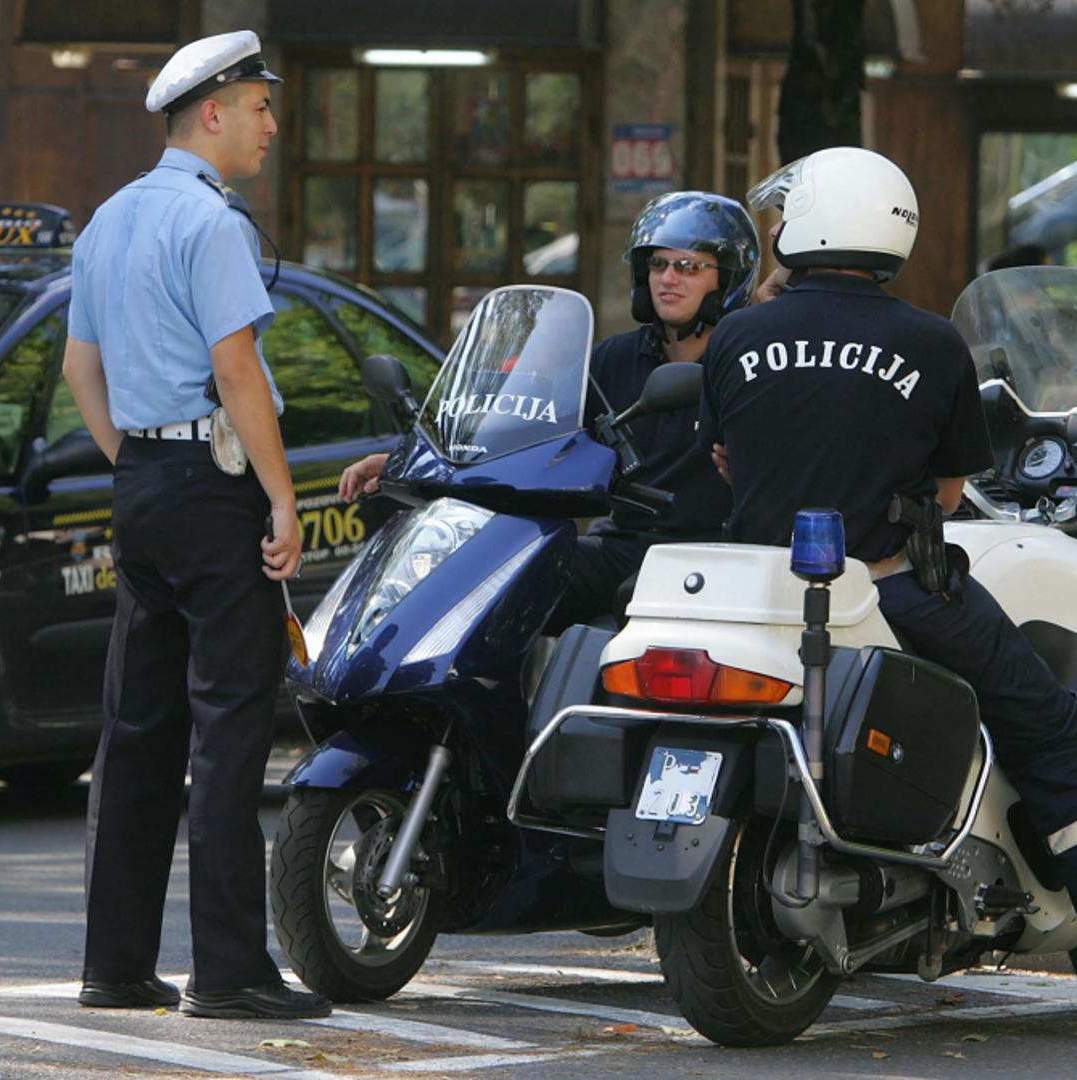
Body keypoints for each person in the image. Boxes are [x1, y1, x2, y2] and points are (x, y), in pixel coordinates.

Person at [699, 146, 1077, 1049]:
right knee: (1059, 736)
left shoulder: (738, 337)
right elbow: (947, 492)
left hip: (763, 599)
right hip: (891, 592)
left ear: (806, 224)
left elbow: (726, 460)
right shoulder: (932, 343)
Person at [62, 29, 330, 1021]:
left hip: (141, 480)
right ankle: (229, 971)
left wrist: (136, 461)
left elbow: (80, 368)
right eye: (258, 107)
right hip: (215, 488)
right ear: (211, 113)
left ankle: (116, 966)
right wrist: (281, 497)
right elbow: (236, 369)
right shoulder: (212, 224)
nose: (271, 125)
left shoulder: (108, 219)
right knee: (228, 729)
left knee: (136, 730)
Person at [340, 191, 760, 630]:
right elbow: (534, 436)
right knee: (497, 577)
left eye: (688, 266)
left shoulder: (746, 363)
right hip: (623, 543)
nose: (668, 278)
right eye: (657, 264)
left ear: (728, 277)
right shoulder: (614, 359)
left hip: (708, 553)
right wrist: (406, 462)